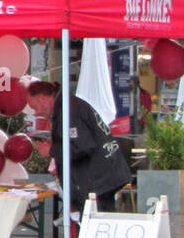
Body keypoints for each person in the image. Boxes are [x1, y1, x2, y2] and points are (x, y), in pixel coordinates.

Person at [26, 80, 131, 210]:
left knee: (93, 223)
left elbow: (82, 146)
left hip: (97, 180)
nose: (36, 113)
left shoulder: (69, 110)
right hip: (100, 178)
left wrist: (51, 150)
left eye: (34, 107)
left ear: (42, 98)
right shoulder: (67, 106)